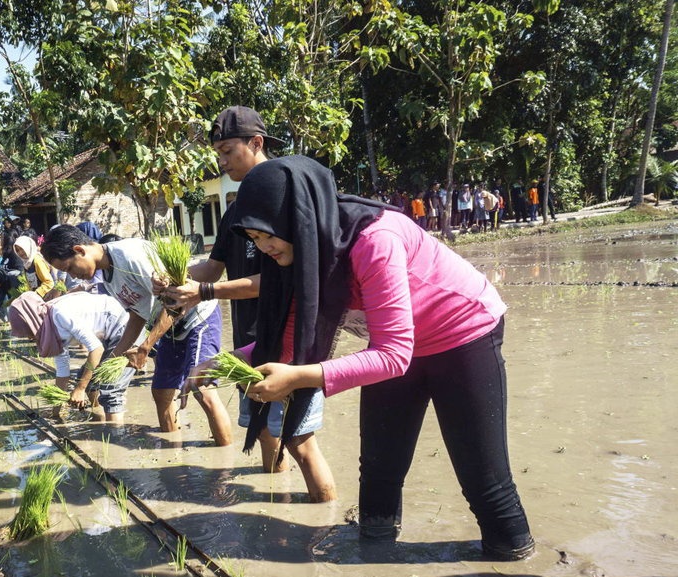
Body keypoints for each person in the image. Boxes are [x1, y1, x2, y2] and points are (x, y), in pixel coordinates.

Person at [216, 155, 534, 560]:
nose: (264, 248)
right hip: (395, 346)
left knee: (483, 478)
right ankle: (374, 554)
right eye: (255, 240)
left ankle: (512, 555)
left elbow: (391, 355)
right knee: (380, 466)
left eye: (268, 237)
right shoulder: (305, 253)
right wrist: (229, 363)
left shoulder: (373, 240)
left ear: (297, 218)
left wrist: (297, 378)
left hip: (462, 333)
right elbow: (291, 336)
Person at [164, 105, 332, 484]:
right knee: (264, 431)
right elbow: (213, 267)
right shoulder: (235, 211)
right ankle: (279, 500)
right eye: (218, 154)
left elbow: (274, 278)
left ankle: (314, 523)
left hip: (289, 334)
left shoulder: (289, 200)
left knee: (299, 439)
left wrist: (204, 292)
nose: (222, 161)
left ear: (256, 143)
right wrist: (176, 279)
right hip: (249, 336)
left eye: (227, 150)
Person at [40, 226, 233, 446]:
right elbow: (138, 314)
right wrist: (116, 356)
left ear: (79, 250)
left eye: (70, 268)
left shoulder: (129, 255)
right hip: (167, 328)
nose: (73, 276)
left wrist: (145, 347)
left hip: (196, 318)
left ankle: (223, 471)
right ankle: (172, 454)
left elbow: (174, 303)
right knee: (161, 393)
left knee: (202, 389)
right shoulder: (108, 277)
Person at [8, 291, 137, 423]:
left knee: (110, 391)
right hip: (105, 334)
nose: (29, 337)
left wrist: (80, 389)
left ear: (31, 320)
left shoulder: (59, 314)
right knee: (86, 377)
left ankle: (116, 435)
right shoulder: (49, 329)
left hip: (123, 325)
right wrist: (55, 413)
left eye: (27, 331)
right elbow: (62, 370)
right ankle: (100, 416)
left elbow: (96, 349)